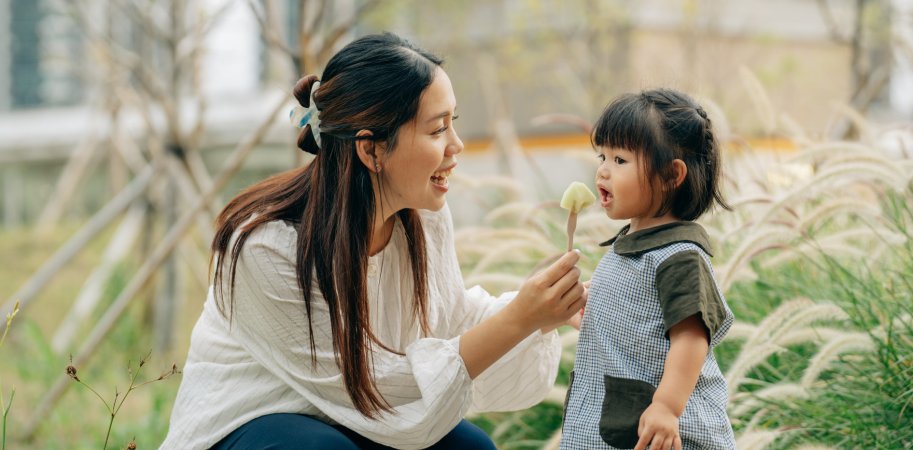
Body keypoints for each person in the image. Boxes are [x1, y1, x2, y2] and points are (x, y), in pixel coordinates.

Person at [160, 32, 585, 450]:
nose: (456, 146)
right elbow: (366, 383)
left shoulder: (422, 218)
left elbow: (452, 319)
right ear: (371, 150)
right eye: (437, 130)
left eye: (452, 124)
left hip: (356, 421)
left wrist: (543, 312)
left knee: (468, 447)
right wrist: (517, 321)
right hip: (252, 422)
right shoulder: (265, 247)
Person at [560, 89, 736, 450]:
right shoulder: (631, 243)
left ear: (672, 175)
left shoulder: (679, 255)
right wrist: (593, 310)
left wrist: (667, 407)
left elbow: (691, 337)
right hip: (608, 425)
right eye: (602, 156)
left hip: (657, 432)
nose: (604, 170)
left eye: (621, 160)